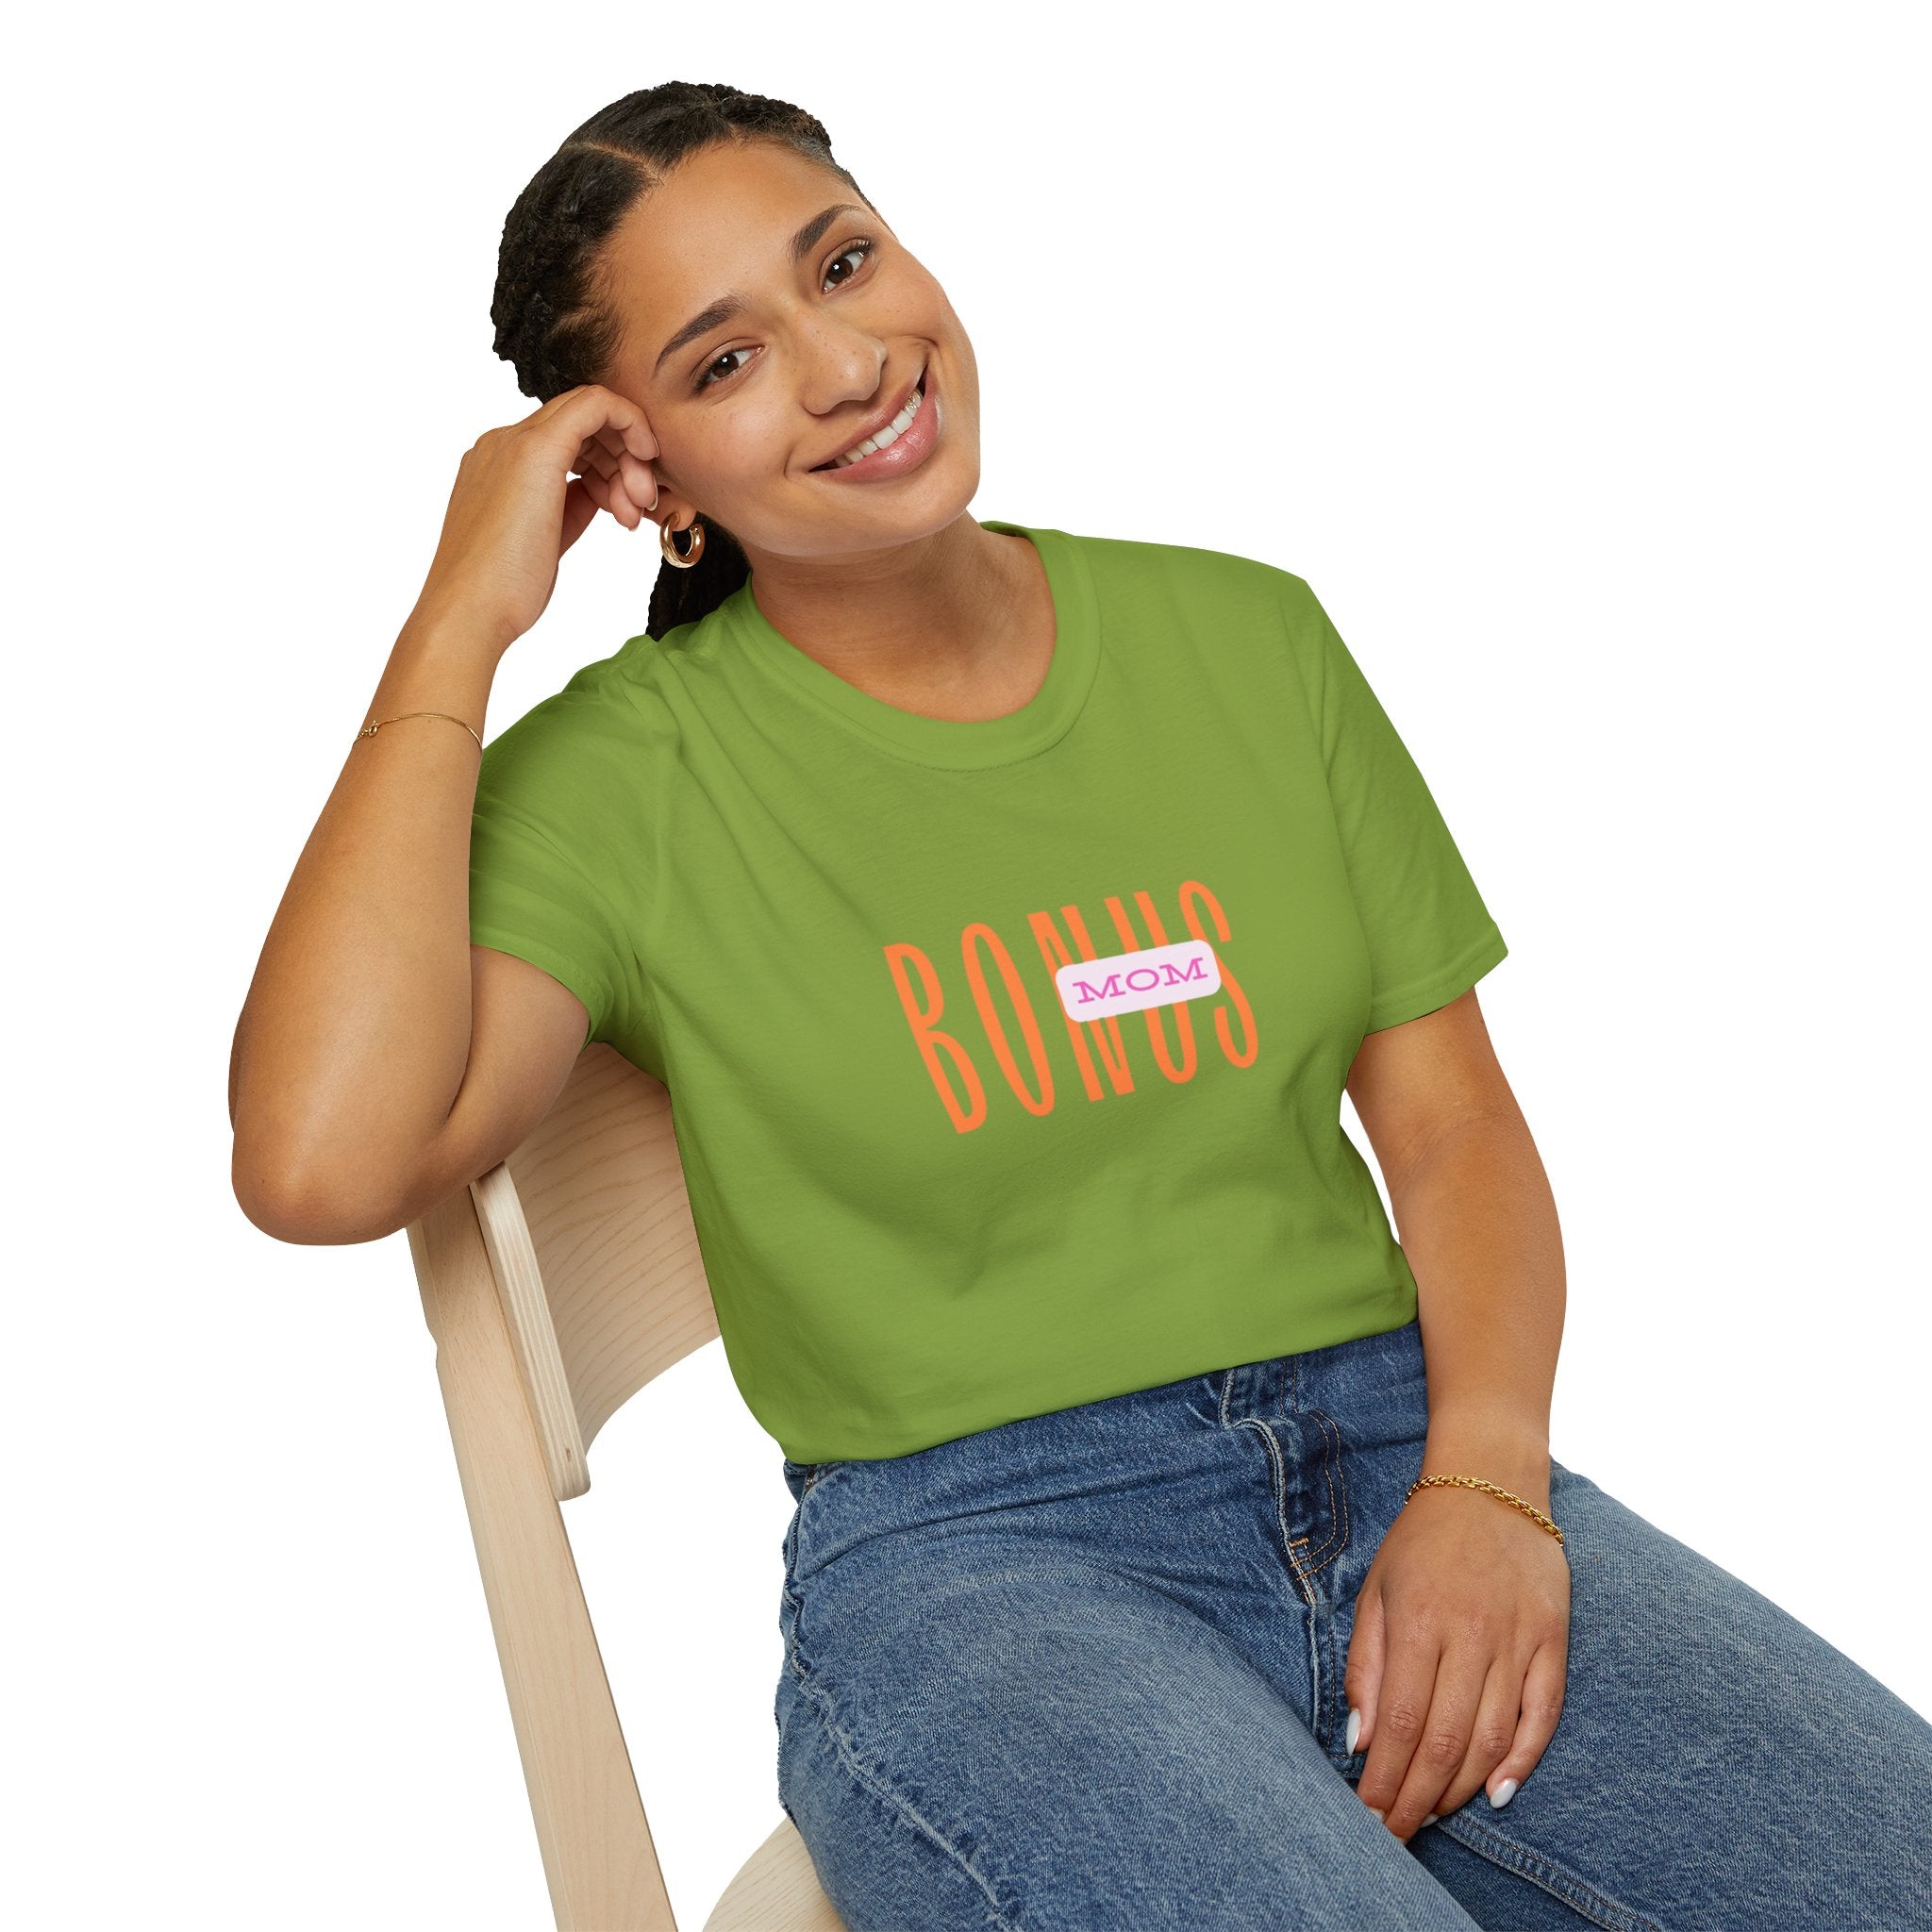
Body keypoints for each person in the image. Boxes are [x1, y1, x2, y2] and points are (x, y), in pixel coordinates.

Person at [229, 81, 1932, 1931]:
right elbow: (319, 1162)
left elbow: (1452, 1130)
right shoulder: (626, 779)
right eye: (726, 361)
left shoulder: (1250, 639)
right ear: (650, 481)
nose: (847, 365)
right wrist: (459, 618)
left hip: (1407, 1452)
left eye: (843, 265)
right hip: (984, 1570)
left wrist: (1490, 1485)